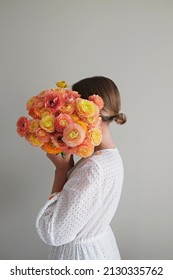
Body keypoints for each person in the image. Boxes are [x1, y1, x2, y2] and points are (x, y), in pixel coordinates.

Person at [36, 76, 127, 260]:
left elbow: (53, 233)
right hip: (101, 249)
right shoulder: (112, 156)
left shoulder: (93, 168)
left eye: (73, 109)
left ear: (90, 112)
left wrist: (61, 171)